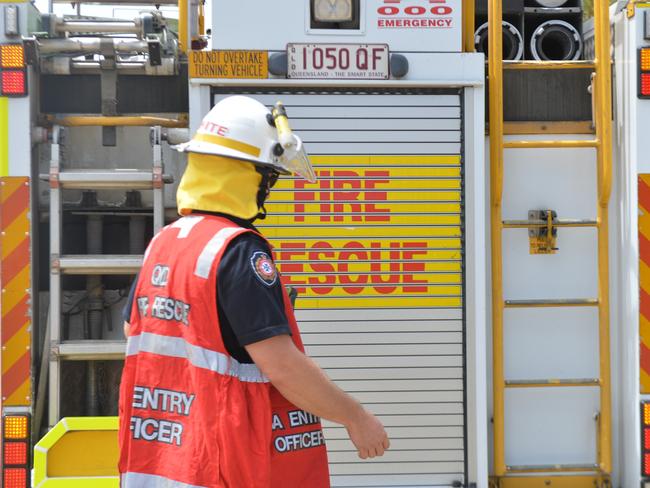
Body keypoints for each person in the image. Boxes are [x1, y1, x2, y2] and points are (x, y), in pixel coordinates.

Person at [118, 95, 389, 488]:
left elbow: (139, 333)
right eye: (269, 177)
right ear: (248, 177)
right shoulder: (238, 250)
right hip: (225, 466)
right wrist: (356, 417)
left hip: (163, 465)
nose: (270, 188)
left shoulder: (165, 242)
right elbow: (281, 366)